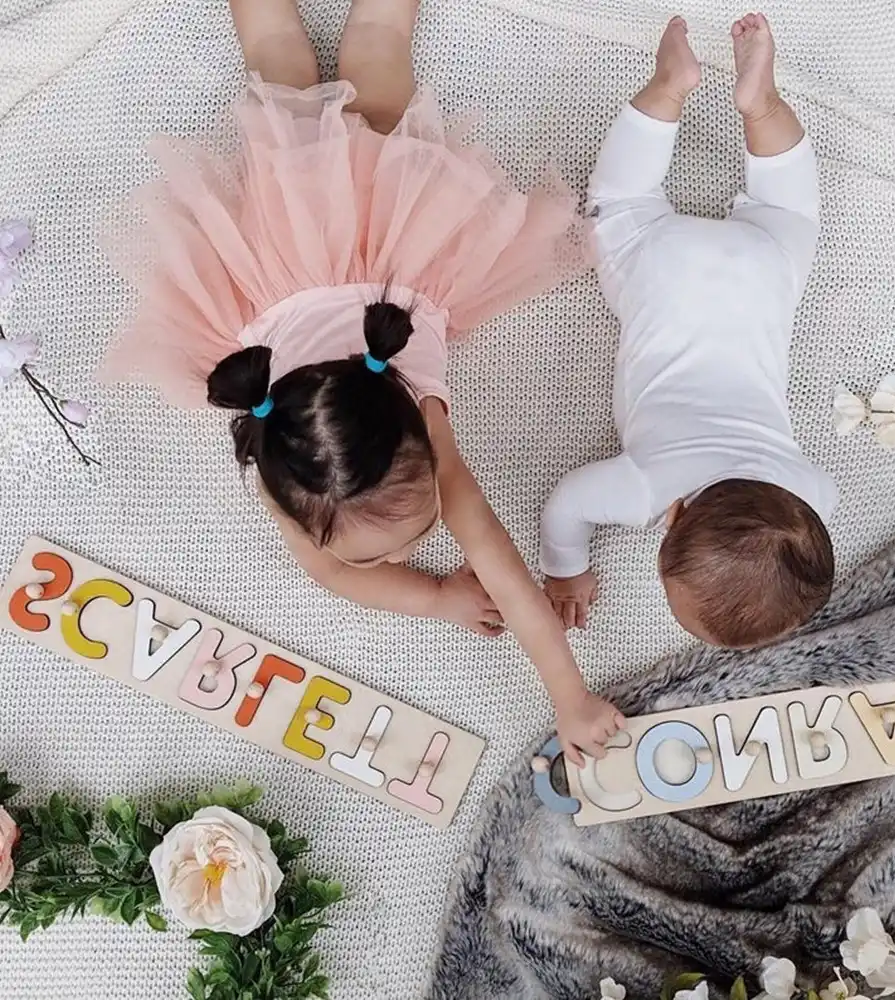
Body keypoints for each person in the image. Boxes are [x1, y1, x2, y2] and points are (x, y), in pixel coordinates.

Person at [99, 0, 624, 765]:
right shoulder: (293, 487)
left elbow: (512, 582)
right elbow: (335, 575)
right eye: (384, 553)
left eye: (403, 548)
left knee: (298, 76)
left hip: (296, 257)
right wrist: (433, 597)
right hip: (373, 274)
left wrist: (569, 695)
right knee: (362, 78)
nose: (390, 565)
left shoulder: (436, 459)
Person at [541, 13, 838, 648]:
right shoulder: (646, 487)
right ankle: (669, 87)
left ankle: (760, 105)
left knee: (790, 205)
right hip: (662, 273)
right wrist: (565, 570)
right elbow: (566, 504)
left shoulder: (811, 493)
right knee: (617, 204)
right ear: (671, 514)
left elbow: (809, 512)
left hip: (760, 275)